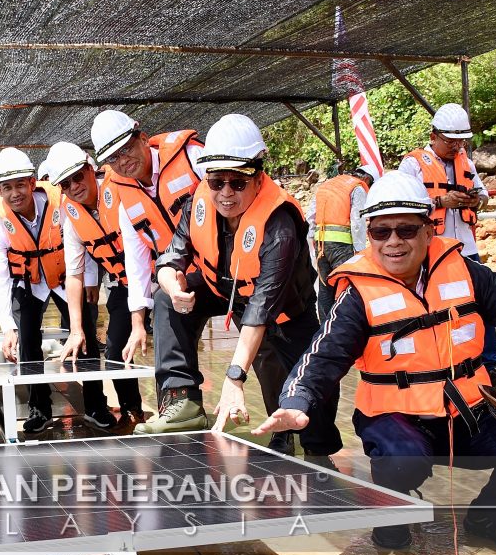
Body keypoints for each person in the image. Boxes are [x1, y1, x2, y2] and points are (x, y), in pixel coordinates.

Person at [255, 171, 496, 555]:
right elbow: (322, 355)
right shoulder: (357, 294)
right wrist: (296, 403)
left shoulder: (467, 271)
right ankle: (391, 516)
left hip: (469, 412)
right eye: (381, 232)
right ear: (369, 235)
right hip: (394, 418)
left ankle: (490, 518)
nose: (394, 242)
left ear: (428, 229)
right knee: (402, 462)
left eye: (406, 230)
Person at [134, 114, 340, 458]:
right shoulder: (199, 200)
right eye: (217, 182)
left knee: (304, 389)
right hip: (225, 291)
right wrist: (172, 285)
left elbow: (262, 308)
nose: (226, 193)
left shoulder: (280, 224)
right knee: (165, 300)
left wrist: (233, 375)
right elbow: (173, 255)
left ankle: (314, 452)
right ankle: (182, 401)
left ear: (258, 176)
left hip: (284, 312)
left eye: (238, 182)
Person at [0, 147, 109, 434]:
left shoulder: (62, 206)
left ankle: (95, 405)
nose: (15, 193)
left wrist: (91, 280)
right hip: (30, 283)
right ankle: (38, 408)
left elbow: (84, 242)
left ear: (32, 181)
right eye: (7, 188)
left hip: (67, 278)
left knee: (88, 335)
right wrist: (6, 326)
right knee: (27, 342)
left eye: (20, 184)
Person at [399, 103, 496, 389]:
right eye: (450, 140)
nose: (456, 146)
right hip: (432, 250)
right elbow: (403, 207)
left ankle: (491, 365)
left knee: (483, 303)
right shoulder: (413, 163)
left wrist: (474, 200)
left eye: (460, 140)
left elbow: (482, 195)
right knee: (434, 307)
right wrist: (440, 202)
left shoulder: (464, 161)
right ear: (433, 136)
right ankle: (439, 363)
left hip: (466, 247)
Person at [90, 110, 206, 364]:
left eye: (126, 149)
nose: (123, 161)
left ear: (143, 138)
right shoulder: (127, 203)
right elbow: (137, 262)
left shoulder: (191, 157)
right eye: (113, 157)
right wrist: (138, 324)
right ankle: (179, 398)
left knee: (268, 349)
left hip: (228, 267)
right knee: (166, 309)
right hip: (184, 280)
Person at [47, 141, 143, 428]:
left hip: (154, 277)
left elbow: (140, 253)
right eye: (66, 184)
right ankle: (132, 408)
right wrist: (76, 330)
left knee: (165, 345)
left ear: (91, 169)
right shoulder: (72, 216)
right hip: (123, 284)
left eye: (78, 176)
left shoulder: (122, 190)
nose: (75, 186)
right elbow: (74, 273)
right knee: (115, 351)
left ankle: (175, 407)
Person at [309, 164, 380, 322]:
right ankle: (345, 325)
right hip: (342, 247)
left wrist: (312, 242)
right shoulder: (357, 188)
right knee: (347, 287)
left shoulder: (327, 185)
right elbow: (357, 222)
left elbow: (311, 216)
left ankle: (325, 328)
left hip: (320, 244)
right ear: (367, 179)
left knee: (325, 288)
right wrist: (360, 253)